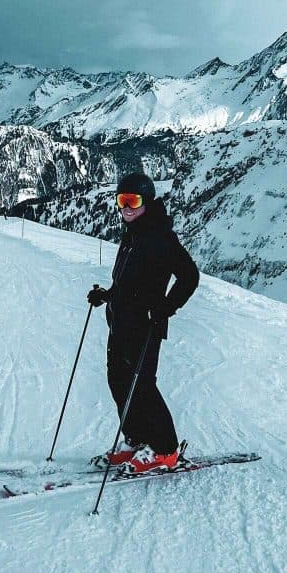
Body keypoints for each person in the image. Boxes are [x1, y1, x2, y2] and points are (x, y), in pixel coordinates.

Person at [87, 172, 199, 474]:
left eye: (132, 201)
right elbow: (131, 282)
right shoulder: (133, 233)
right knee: (118, 381)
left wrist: (166, 307)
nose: (126, 208)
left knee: (144, 388)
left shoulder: (161, 236)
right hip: (120, 322)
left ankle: (165, 450)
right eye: (121, 201)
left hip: (145, 326)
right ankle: (136, 440)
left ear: (147, 202)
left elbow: (190, 276)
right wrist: (107, 295)